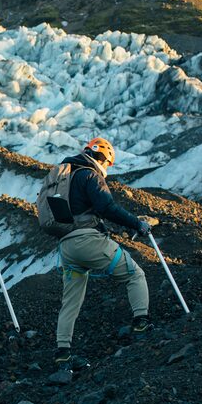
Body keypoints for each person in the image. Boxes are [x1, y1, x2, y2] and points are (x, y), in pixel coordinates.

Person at [53, 138, 152, 367]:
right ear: (104, 159)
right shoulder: (89, 175)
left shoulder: (64, 177)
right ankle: (141, 323)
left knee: (71, 301)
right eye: (107, 164)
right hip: (88, 241)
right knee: (135, 274)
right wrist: (136, 224)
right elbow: (106, 207)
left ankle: (63, 351)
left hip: (66, 247)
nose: (106, 169)